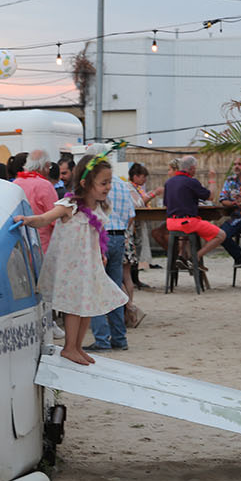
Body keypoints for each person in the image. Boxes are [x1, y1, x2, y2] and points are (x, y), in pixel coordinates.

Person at [14, 154, 127, 366]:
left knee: (88, 305)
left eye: (109, 182)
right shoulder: (69, 205)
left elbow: (97, 234)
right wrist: (28, 220)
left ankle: (77, 346)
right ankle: (69, 347)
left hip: (89, 264)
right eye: (103, 183)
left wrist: (102, 253)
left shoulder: (100, 208)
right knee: (74, 306)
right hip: (71, 266)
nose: (108, 187)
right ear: (85, 183)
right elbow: (45, 218)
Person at [88, 148, 136, 352]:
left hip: (100, 236)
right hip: (118, 236)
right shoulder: (122, 184)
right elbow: (131, 215)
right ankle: (119, 337)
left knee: (96, 289)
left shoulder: (93, 185)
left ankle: (102, 339)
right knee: (115, 288)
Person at [151, 155, 225, 279]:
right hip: (187, 222)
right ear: (191, 168)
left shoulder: (168, 183)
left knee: (185, 231)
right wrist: (212, 180)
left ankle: (181, 256)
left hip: (171, 223)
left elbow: (166, 204)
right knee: (221, 235)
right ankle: (195, 257)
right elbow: (210, 196)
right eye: (195, 168)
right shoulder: (191, 182)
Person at [13, 150, 59, 252]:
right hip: (43, 244)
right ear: (44, 167)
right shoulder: (45, 185)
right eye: (48, 167)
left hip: (21, 243)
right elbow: (55, 219)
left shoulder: (15, 183)